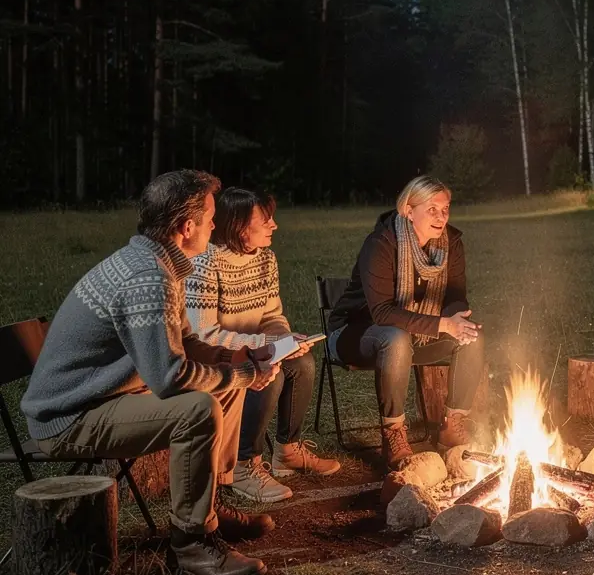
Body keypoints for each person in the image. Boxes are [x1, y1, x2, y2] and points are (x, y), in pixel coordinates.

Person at [20, 170, 280, 575]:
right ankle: (194, 545)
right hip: (69, 415)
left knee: (225, 389)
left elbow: (188, 343)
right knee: (198, 408)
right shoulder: (149, 277)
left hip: (104, 396)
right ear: (186, 227)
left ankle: (205, 508)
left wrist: (237, 358)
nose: (216, 226)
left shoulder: (160, 263)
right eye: (210, 218)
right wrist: (244, 374)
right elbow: (170, 377)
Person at [185, 188, 341, 504]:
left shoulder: (266, 259)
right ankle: (243, 464)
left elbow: (271, 315)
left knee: (302, 363)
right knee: (271, 370)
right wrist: (266, 345)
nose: (274, 226)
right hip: (217, 357)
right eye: (266, 220)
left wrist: (284, 340)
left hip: (254, 347)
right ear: (240, 227)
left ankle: (287, 451)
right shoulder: (205, 262)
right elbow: (204, 335)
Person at [326, 175, 484, 468]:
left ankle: (452, 424)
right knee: (395, 338)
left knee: (472, 336)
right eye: (432, 209)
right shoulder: (381, 244)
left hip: (414, 338)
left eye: (445, 209)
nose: (441, 217)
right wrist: (443, 324)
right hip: (354, 334)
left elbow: (455, 296)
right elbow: (382, 314)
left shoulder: (452, 244)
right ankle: (394, 432)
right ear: (409, 211)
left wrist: (458, 316)